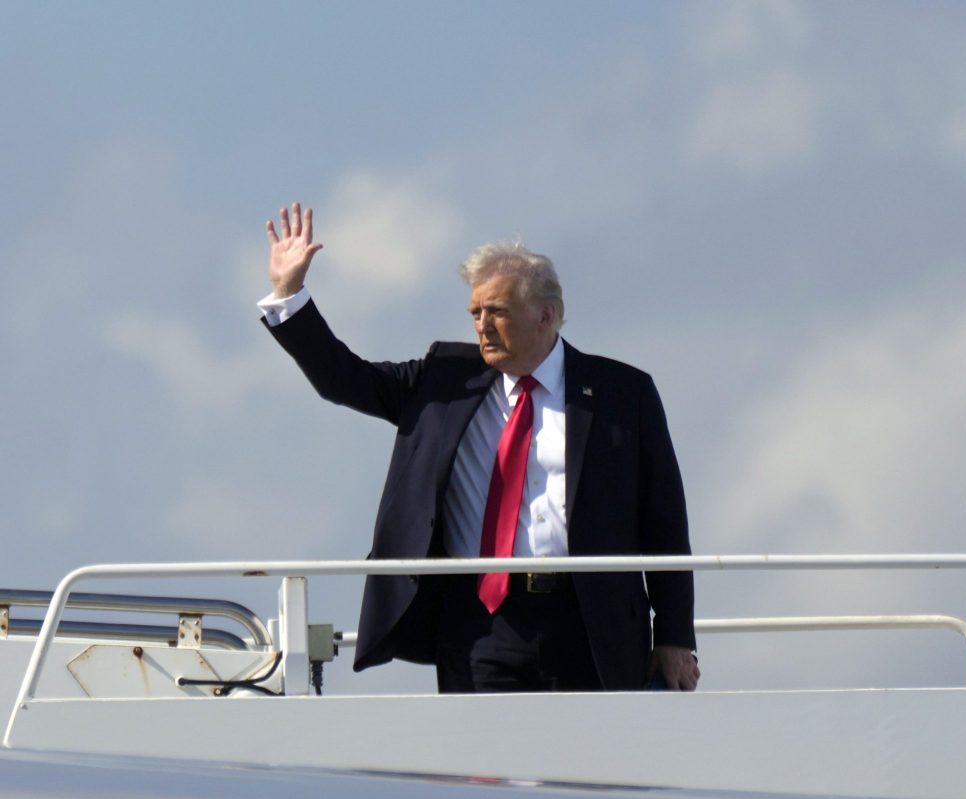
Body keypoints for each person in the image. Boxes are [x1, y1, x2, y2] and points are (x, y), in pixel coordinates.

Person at [261, 203, 699, 693]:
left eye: (498, 312)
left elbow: (665, 523)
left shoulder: (623, 393)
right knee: (482, 767)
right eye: (476, 312)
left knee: (592, 769)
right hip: (479, 625)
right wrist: (289, 294)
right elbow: (344, 379)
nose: (482, 326)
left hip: (591, 623)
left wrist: (676, 636)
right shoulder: (444, 380)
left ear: (546, 315)